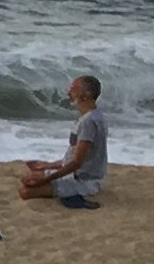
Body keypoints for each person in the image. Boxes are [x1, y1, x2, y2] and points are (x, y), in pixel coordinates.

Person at [16, 74, 110, 205]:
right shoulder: (95, 116)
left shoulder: (88, 122)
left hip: (84, 180)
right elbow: (77, 157)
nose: (69, 93)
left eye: (73, 89)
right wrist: (47, 165)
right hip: (81, 173)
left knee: (25, 191)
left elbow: (77, 163)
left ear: (85, 95)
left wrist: (47, 179)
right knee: (29, 177)